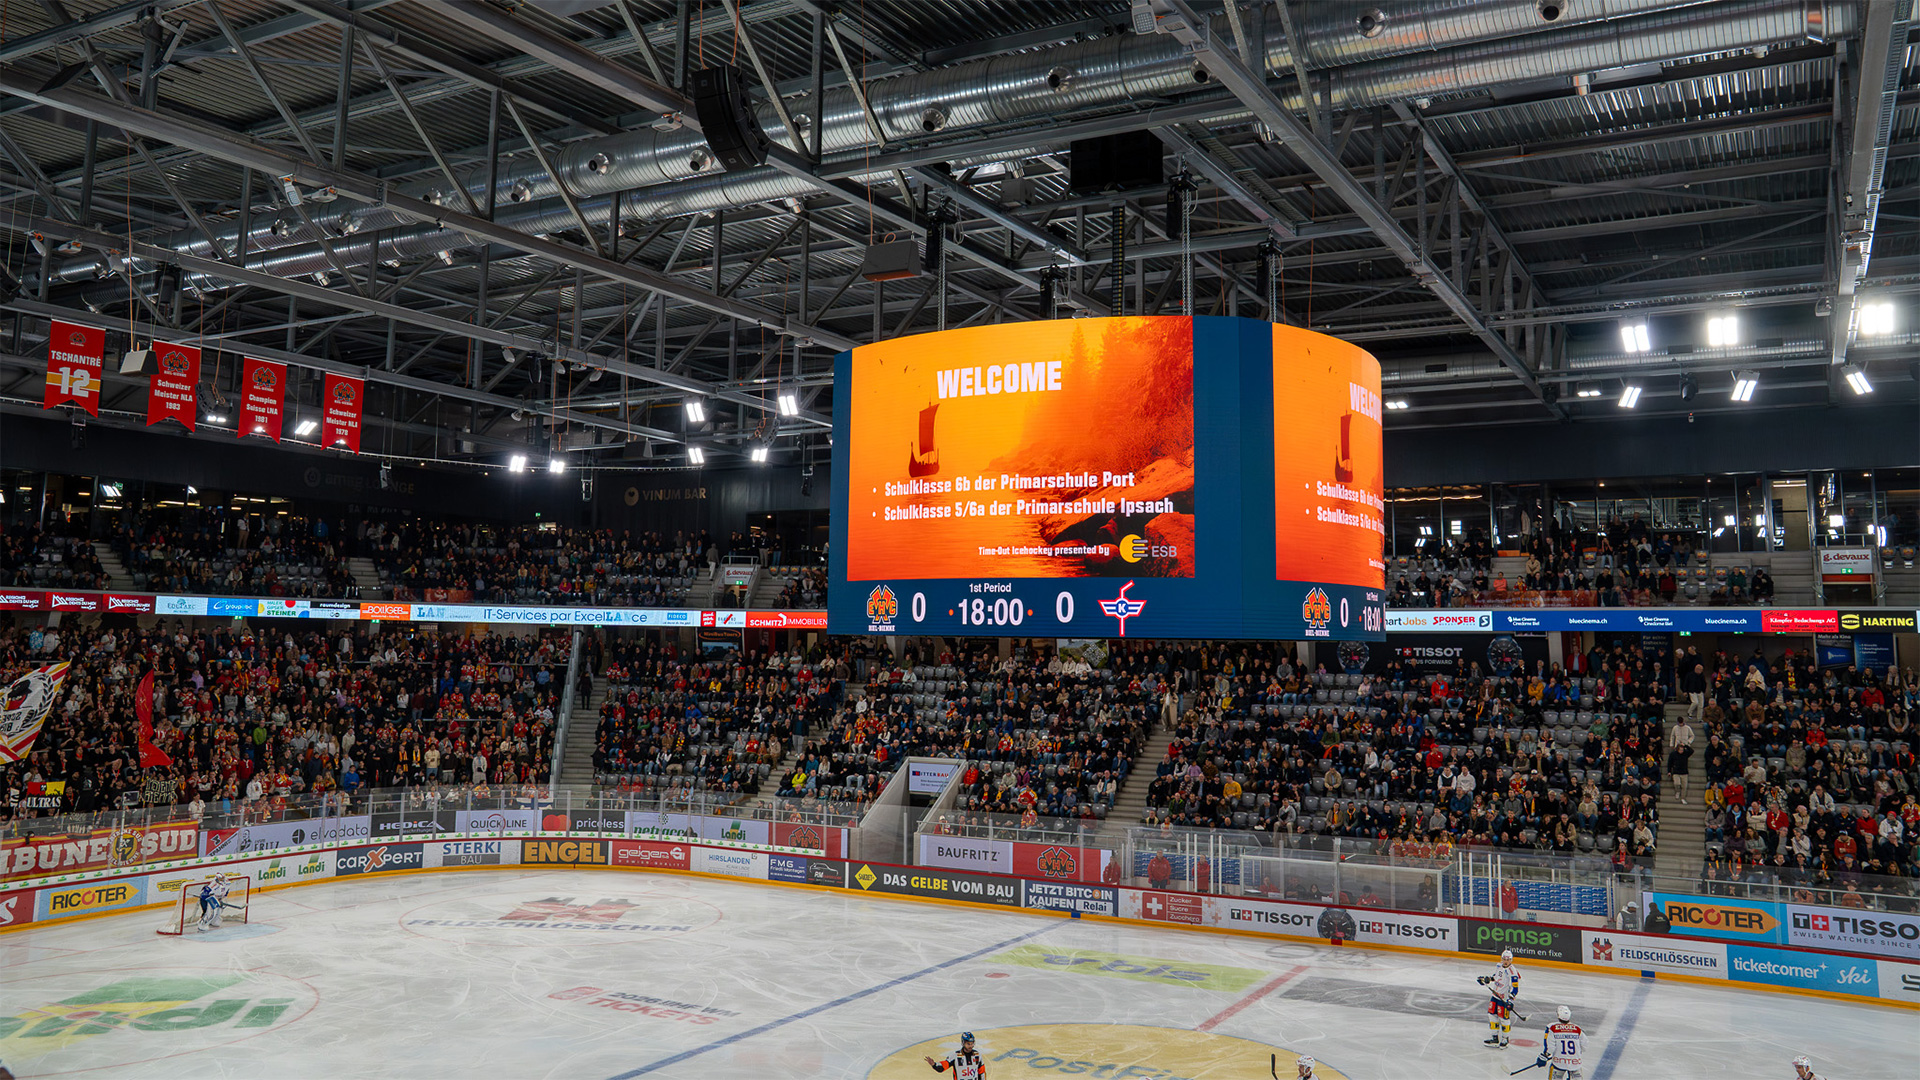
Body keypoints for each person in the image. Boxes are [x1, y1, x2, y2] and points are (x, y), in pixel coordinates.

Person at [1477, 947, 1521, 1048]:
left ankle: (1505, 1038)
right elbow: (1495, 977)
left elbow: (1515, 988)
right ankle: (1495, 1038)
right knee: (1492, 1015)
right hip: (1495, 995)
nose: (1506, 961)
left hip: (1504, 999)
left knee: (1504, 1019)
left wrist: (1510, 999)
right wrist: (1486, 979)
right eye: (1504, 959)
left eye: (1508, 959)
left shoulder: (1513, 971)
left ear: (1511, 960)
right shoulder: (1498, 965)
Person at [1535, 1005, 1585, 1079]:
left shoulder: (1552, 1028)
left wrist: (1544, 1055)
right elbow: (1584, 1046)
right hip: (1575, 1064)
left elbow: (1550, 1048)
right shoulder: (1577, 1028)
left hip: (1559, 1063)